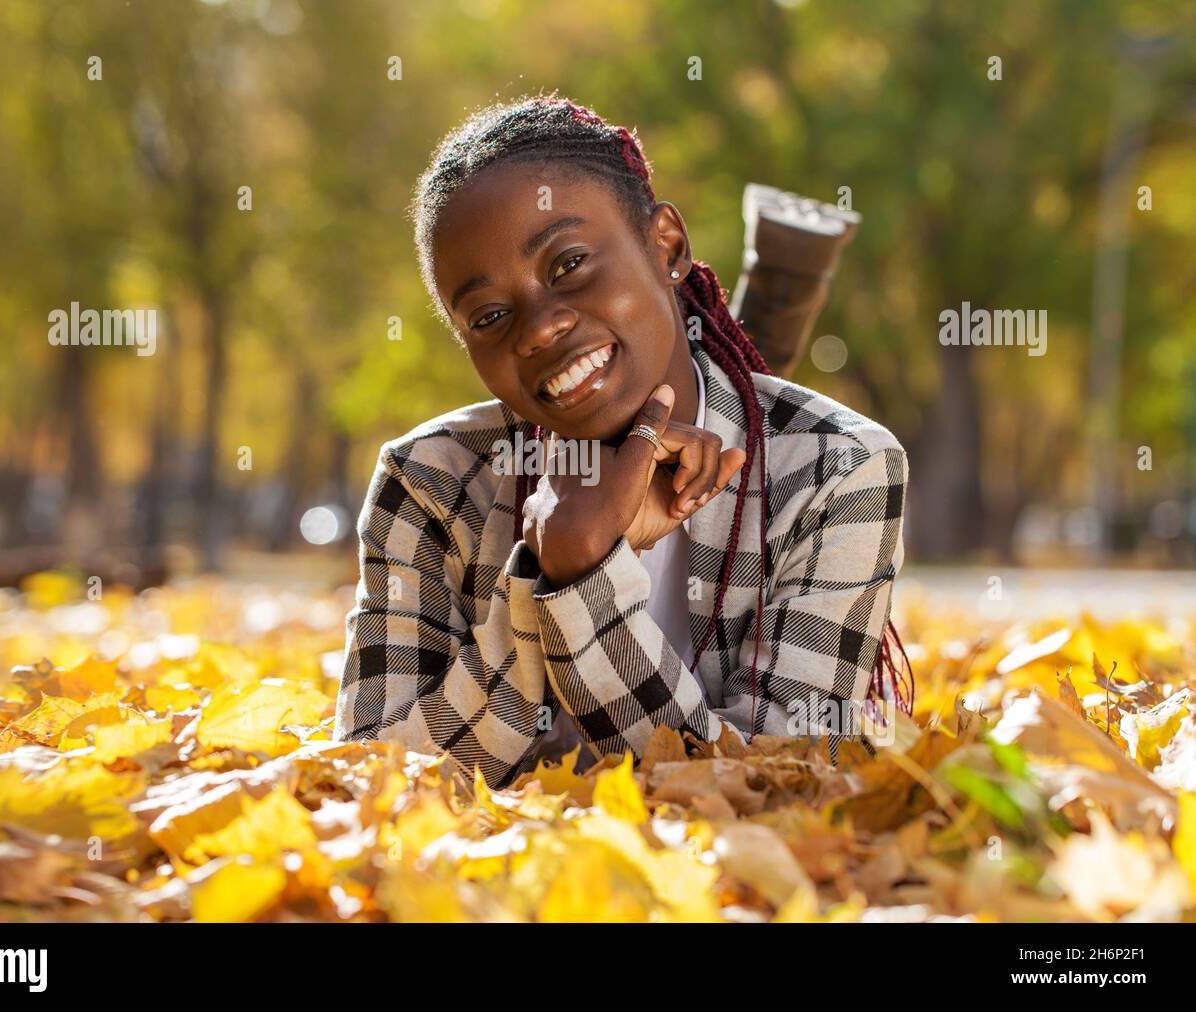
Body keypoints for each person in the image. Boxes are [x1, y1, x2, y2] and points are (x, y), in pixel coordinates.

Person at [331, 94, 911, 788]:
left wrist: (583, 580)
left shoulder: (835, 468)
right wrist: (541, 584)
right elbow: (367, 781)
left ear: (665, 245)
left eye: (568, 264)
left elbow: (779, 786)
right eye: (489, 314)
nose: (539, 328)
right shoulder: (429, 482)